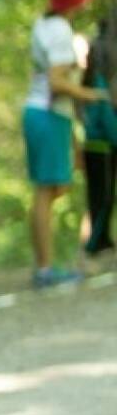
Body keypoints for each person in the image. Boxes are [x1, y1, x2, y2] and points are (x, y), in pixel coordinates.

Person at [24, 0, 103, 286]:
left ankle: (45, 265)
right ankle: (44, 269)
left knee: (56, 185)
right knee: (46, 190)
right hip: (46, 112)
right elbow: (57, 82)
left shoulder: (45, 24)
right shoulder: (59, 30)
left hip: (46, 113)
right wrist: (91, 93)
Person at [80, 17, 117, 263]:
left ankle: (101, 241)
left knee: (99, 194)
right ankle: (95, 242)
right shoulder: (99, 88)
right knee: (103, 196)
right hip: (102, 143)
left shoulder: (90, 85)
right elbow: (105, 117)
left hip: (94, 143)